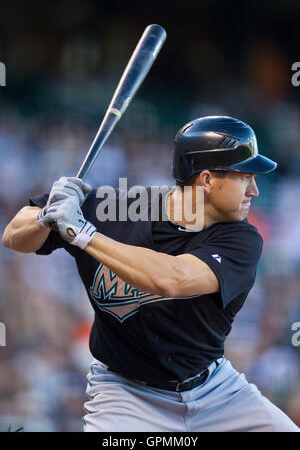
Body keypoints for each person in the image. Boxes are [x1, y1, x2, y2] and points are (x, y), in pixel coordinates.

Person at [2, 116, 299, 432]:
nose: (254, 189)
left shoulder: (241, 238)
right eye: (244, 177)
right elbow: (13, 237)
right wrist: (48, 216)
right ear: (208, 180)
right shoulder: (114, 208)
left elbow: (171, 279)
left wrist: (83, 233)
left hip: (215, 392)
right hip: (125, 394)